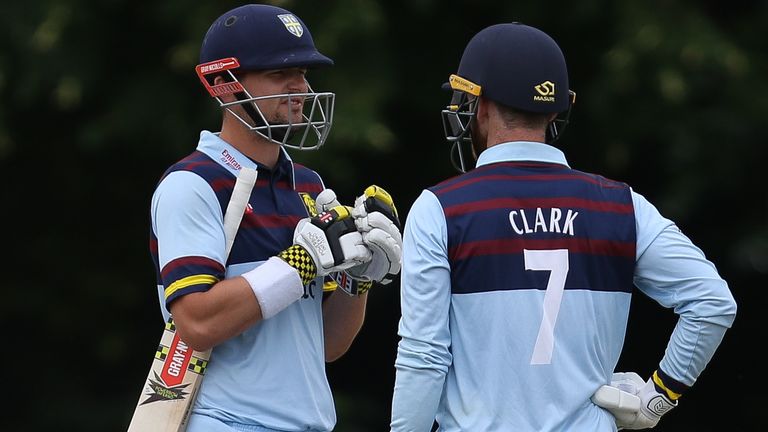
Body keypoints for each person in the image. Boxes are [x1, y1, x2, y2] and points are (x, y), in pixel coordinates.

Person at [390, 23, 736, 431]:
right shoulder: (622, 205)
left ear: (481, 108)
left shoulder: (439, 209)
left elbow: (424, 355)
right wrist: (659, 395)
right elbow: (713, 302)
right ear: (554, 111)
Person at [149, 4, 402, 432]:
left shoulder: (308, 185)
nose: (300, 86)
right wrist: (299, 263)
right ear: (224, 84)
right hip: (226, 421)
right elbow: (196, 323)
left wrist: (357, 282)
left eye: (302, 71)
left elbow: (327, 345)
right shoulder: (191, 184)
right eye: (278, 73)